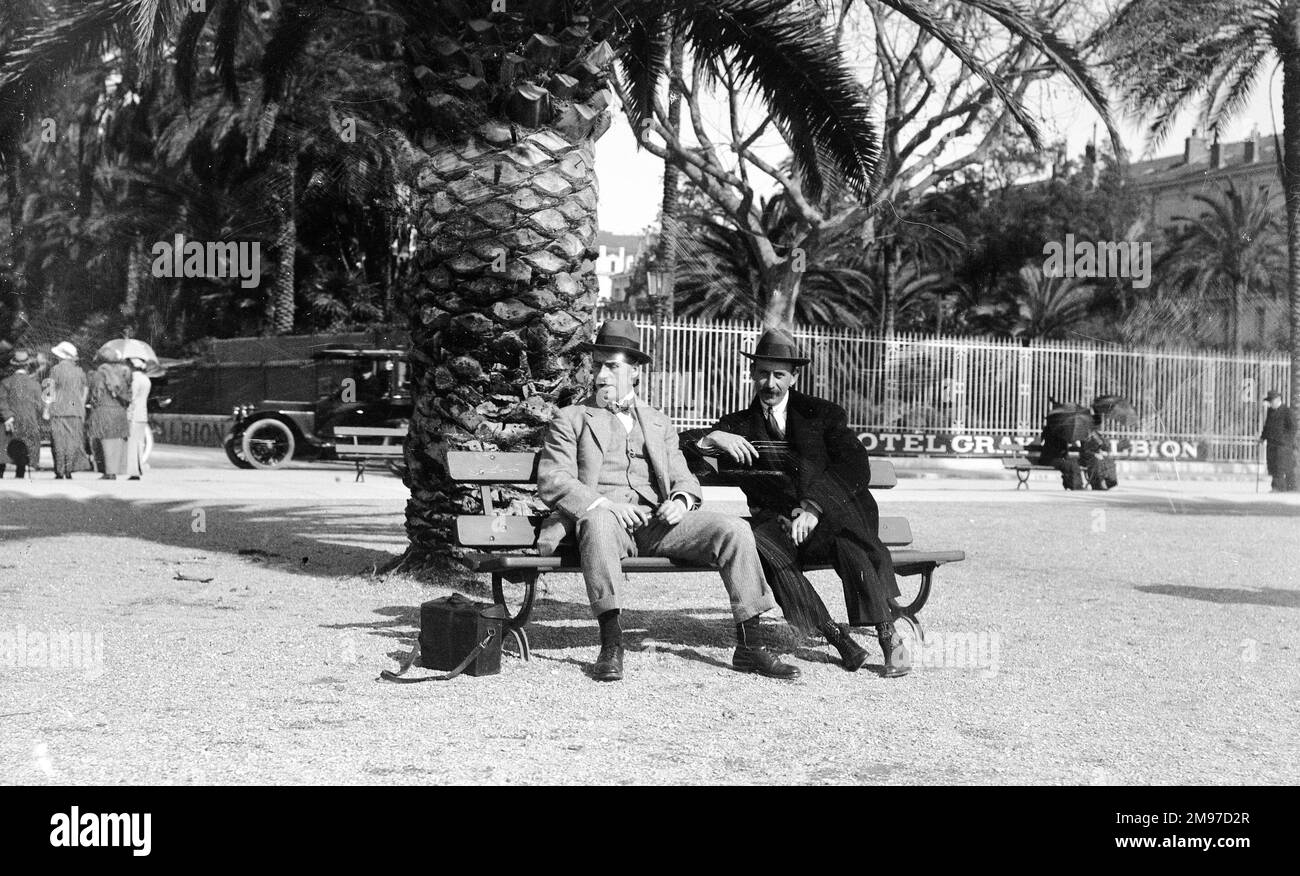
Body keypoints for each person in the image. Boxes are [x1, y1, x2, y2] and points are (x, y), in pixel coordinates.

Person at [536, 319, 797, 683]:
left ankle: (750, 646)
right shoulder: (572, 418)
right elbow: (553, 479)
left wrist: (681, 499)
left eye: (612, 366)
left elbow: (685, 477)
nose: (601, 375)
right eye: (597, 366)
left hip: (657, 522)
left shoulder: (658, 422)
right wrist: (604, 506)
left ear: (635, 371)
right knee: (596, 522)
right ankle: (611, 644)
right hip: (606, 522)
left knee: (734, 529)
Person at [686, 328, 910, 677]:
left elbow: (855, 465)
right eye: (762, 373)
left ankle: (888, 635)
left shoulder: (823, 414)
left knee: (850, 544)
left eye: (778, 375)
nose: (770, 383)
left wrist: (813, 507)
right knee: (759, 545)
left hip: (829, 518)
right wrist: (712, 437)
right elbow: (679, 447)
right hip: (779, 525)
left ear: (794, 376)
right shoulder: (738, 424)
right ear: (751, 373)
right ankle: (836, 637)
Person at [44, 342, 89, 479]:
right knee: (72, 441)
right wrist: (80, 405)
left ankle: (59, 471)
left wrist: (46, 409)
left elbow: (50, 390)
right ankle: (69, 470)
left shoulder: (55, 370)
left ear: (60, 356)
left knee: (58, 441)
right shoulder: (80, 371)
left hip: (58, 410)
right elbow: (85, 391)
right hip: (75, 410)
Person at [0, 351, 46, 479]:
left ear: (14, 366)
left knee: (4, 446)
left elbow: (1, 401)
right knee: (24, 446)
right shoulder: (35, 385)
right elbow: (40, 406)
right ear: (27, 366)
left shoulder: (6, 382)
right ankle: (20, 474)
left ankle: (1, 473)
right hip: (28, 420)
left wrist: (8, 416)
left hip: (10, 420)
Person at [87, 358, 132, 479]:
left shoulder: (98, 375)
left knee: (103, 445)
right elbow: (128, 396)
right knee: (116, 445)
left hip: (103, 413)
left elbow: (96, 395)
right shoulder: (121, 375)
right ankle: (114, 471)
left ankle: (108, 472)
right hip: (119, 413)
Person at [1260, 390, 1297, 492]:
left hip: (1283, 445)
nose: (1270, 403)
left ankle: (1285, 487)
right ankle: (1277, 487)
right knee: (1273, 465)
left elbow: (1293, 427)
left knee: (1281, 466)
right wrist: (1263, 437)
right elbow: (1267, 426)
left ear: (1277, 400)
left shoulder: (1287, 411)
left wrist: (1286, 440)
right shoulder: (1270, 411)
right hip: (1271, 443)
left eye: (1271, 401)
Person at [125, 357, 152, 480]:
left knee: (132, 444)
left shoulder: (135, 379)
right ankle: (139, 468)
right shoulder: (146, 379)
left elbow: (132, 398)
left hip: (134, 414)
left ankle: (133, 471)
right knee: (139, 443)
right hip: (143, 413)